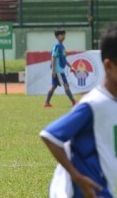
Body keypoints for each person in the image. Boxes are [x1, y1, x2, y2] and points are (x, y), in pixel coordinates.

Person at [40, 25, 117, 197]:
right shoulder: (94, 104)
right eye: (61, 34)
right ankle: (52, 101)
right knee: (60, 87)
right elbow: (49, 136)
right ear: (109, 66)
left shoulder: (111, 102)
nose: (63, 36)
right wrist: (77, 177)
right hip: (90, 190)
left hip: (104, 187)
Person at [44, 29, 76, 107]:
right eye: (61, 35)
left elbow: (63, 59)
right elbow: (53, 57)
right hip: (58, 71)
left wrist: (71, 66)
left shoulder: (62, 46)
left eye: (64, 35)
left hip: (59, 70)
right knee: (66, 85)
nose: (63, 36)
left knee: (53, 86)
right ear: (57, 36)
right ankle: (74, 102)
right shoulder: (57, 46)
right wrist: (53, 70)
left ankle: (47, 103)